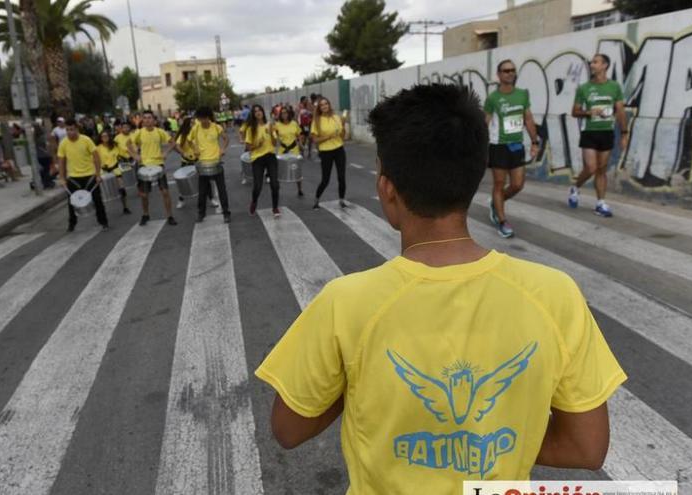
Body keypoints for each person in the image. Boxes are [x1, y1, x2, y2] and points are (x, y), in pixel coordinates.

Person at [255, 84, 626, 494]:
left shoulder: (344, 304)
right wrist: (484, 443)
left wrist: (354, 380)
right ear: (475, 176)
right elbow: (587, 447)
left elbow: (288, 429)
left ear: (387, 189)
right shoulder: (556, 295)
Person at [484, 59, 540, 238]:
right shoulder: (492, 98)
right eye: (506, 71)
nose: (510, 73)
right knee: (499, 184)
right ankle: (502, 220)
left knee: (517, 184)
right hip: (498, 145)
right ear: (499, 75)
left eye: (512, 70)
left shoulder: (522, 94)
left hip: (517, 145)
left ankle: (495, 202)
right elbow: (485, 122)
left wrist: (534, 141)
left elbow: (528, 119)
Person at [569, 53, 628, 217]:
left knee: (601, 170)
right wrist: (589, 112)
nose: (592, 64)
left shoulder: (614, 87)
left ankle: (600, 203)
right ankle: (576, 187)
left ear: (605, 66)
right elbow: (574, 112)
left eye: (595, 62)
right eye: (592, 62)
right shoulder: (584, 88)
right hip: (589, 132)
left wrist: (624, 133)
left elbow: (620, 111)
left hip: (607, 132)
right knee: (591, 167)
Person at [128, 110, 178, 226]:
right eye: (144, 118)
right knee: (144, 195)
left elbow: (173, 142)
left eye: (149, 118)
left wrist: (166, 153)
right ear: (142, 120)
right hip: (144, 166)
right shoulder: (139, 133)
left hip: (158, 164)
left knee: (165, 192)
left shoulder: (160, 132)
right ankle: (146, 214)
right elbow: (128, 144)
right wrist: (135, 155)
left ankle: (170, 216)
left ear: (154, 120)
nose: (147, 120)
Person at [58, 118, 108, 232]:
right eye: (68, 130)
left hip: (90, 175)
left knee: (97, 200)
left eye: (72, 129)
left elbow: (96, 157)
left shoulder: (86, 140)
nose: (70, 132)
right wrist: (62, 178)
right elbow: (61, 161)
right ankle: (72, 224)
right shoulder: (63, 143)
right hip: (74, 177)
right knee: (72, 202)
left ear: (77, 129)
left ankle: (103, 221)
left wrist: (98, 174)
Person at [189, 106, 231, 223]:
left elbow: (226, 139)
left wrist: (222, 149)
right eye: (200, 118)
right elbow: (188, 140)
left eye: (204, 118)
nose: (202, 121)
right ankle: (201, 213)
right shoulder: (196, 128)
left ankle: (226, 213)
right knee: (202, 192)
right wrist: (194, 149)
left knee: (222, 190)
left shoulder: (216, 127)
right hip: (202, 163)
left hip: (216, 162)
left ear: (208, 117)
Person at [311, 96, 347, 210]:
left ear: (329, 105)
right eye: (322, 105)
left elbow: (342, 137)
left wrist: (343, 128)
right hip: (326, 152)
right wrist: (328, 137)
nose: (324, 106)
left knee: (341, 177)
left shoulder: (336, 117)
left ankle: (341, 200)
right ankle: (316, 199)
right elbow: (315, 140)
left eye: (326, 103)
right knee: (325, 180)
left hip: (339, 149)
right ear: (319, 108)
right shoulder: (317, 121)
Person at [244, 104, 279, 217]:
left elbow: (274, 143)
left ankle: (275, 208)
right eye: (255, 111)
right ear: (253, 115)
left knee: (275, 184)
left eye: (260, 110)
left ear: (263, 112)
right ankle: (254, 201)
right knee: (258, 186)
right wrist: (257, 145)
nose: (258, 112)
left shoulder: (270, 125)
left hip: (270, 156)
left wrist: (273, 134)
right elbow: (248, 147)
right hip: (257, 158)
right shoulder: (251, 129)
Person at [96, 130, 131, 215]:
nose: (104, 138)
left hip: (116, 169)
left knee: (122, 189)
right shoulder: (98, 148)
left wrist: (132, 154)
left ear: (109, 137)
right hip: (104, 171)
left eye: (106, 136)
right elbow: (94, 160)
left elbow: (124, 152)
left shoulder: (115, 146)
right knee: (103, 193)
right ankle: (102, 210)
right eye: (103, 136)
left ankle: (125, 207)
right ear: (100, 138)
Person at [273, 106, 305, 197]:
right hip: (282, 150)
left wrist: (301, 144)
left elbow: (299, 134)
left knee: (296, 169)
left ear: (289, 113)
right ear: (280, 114)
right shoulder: (277, 124)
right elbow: (274, 135)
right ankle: (277, 189)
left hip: (294, 149)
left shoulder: (294, 123)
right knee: (279, 170)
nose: (284, 114)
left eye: (286, 112)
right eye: (282, 113)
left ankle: (299, 189)